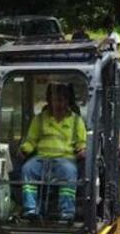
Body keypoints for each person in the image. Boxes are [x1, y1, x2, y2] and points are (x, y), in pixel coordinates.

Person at [19, 83, 87, 219]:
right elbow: (31, 140)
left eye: (61, 100)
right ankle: (30, 210)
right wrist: (23, 150)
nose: (58, 104)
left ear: (68, 101)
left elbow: (81, 142)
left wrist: (82, 151)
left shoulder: (76, 121)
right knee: (27, 169)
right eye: (55, 100)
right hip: (41, 159)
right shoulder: (39, 119)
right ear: (49, 101)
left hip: (65, 160)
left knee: (69, 172)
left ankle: (66, 212)